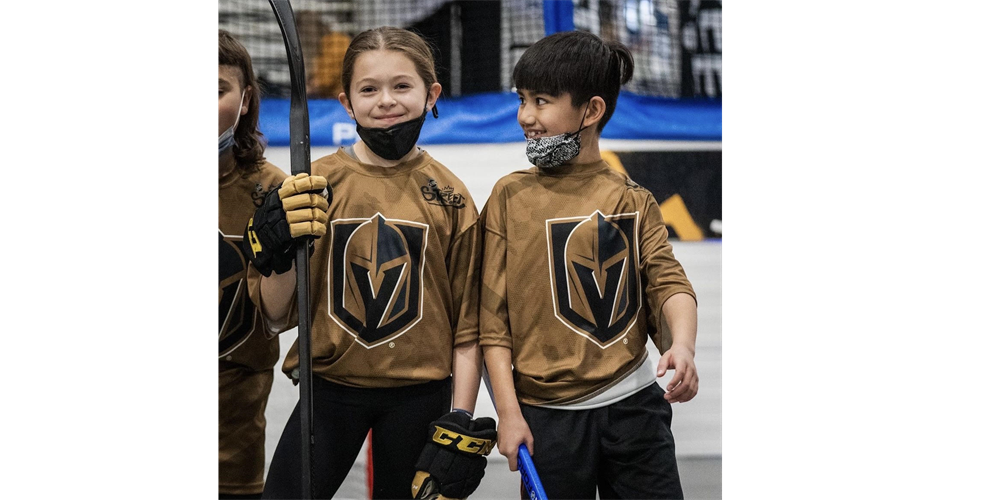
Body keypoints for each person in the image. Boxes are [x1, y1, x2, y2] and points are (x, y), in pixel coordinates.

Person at [259, 27, 492, 500]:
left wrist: (459, 419)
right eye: (369, 89)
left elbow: (469, 324)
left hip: (420, 396)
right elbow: (273, 315)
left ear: (432, 95)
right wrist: (276, 255)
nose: (386, 100)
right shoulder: (313, 185)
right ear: (347, 102)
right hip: (328, 391)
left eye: (401, 86)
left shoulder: (451, 197)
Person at [479, 30, 700, 500]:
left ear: (592, 110)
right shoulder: (507, 198)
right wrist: (509, 413)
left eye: (541, 101)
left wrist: (682, 345)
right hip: (547, 420)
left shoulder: (633, 199)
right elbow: (491, 324)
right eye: (522, 100)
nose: (525, 117)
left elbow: (668, 282)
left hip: (636, 413)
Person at [219, 28, 330, 500]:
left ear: (245, 101)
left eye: (216, 89)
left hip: (232, 442)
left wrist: (278, 257)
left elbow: (274, 317)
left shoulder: (274, 193)